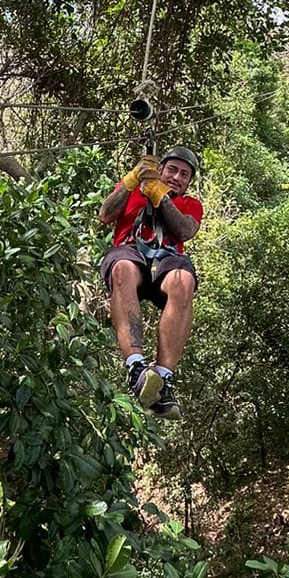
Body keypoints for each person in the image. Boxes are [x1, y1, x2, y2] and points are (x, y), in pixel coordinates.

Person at [98, 145, 202, 418]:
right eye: (172, 170)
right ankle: (136, 366)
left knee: (183, 281)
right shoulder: (131, 190)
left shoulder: (189, 205)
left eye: (184, 174)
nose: (177, 177)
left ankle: (163, 378)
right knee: (122, 269)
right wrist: (132, 180)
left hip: (166, 260)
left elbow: (185, 230)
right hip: (130, 251)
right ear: (160, 169)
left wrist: (161, 197)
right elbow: (105, 214)